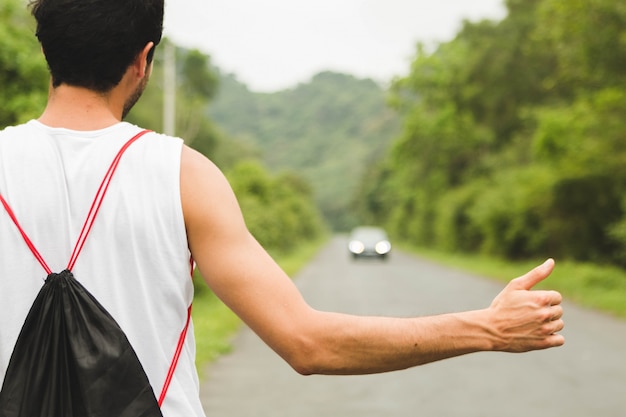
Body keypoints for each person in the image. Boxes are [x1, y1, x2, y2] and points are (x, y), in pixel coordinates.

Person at [0, 0, 564, 415]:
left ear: (47, 49)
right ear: (143, 60)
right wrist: (487, 327)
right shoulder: (182, 175)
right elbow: (308, 343)